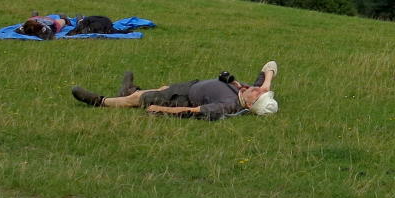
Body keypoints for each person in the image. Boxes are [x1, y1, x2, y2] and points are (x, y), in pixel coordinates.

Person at [70, 61, 279, 119]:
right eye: (261, 90)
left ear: (251, 105)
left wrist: (163, 110)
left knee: (145, 98)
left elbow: (195, 112)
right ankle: (129, 91)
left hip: (183, 100)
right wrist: (266, 85)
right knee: (160, 88)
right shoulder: (245, 91)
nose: (258, 89)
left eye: (259, 94)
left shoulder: (228, 106)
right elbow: (270, 65)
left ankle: (100, 101)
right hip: (188, 86)